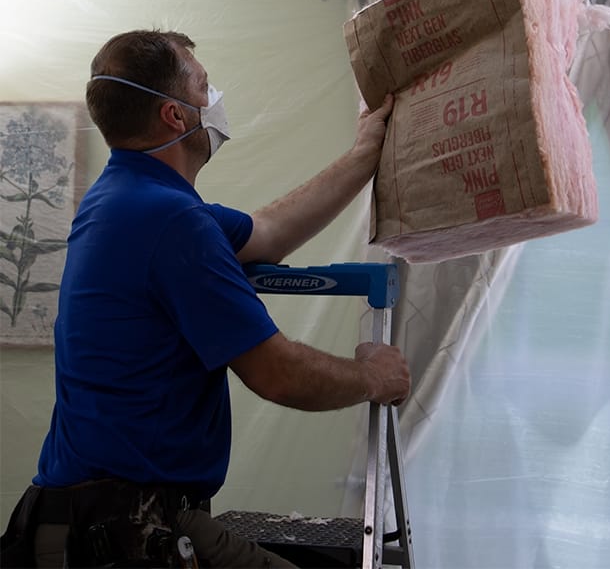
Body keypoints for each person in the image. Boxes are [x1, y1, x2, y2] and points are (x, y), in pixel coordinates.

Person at [5, 29, 410, 568]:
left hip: (80, 520)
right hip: (123, 530)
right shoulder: (169, 220)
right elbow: (279, 374)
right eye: (203, 85)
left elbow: (268, 231)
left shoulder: (124, 199)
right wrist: (373, 377)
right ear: (176, 115)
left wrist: (364, 157)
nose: (214, 96)